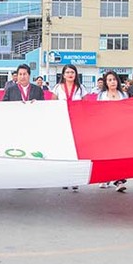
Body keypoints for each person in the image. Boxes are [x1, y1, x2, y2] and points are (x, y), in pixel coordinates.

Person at [52, 64, 87, 192]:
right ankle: (64, 178)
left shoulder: (81, 88)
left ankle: (75, 180)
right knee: (64, 152)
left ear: (76, 74)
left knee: (76, 152)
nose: (70, 74)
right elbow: (52, 105)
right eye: (67, 72)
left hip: (77, 124)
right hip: (62, 123)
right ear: (63, 74)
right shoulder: (57, 88)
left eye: (72, 72)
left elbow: (86, 106)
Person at [97, 71, 128, 192]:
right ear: (106, 82)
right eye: (109, 80)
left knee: (119, 156)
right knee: (106, 156)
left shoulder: (124, 95)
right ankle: (105, 177)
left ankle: (119, 180)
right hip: (106, 129)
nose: (112, 82)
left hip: (120, 129)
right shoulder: (102, 95)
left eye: (114, 79)